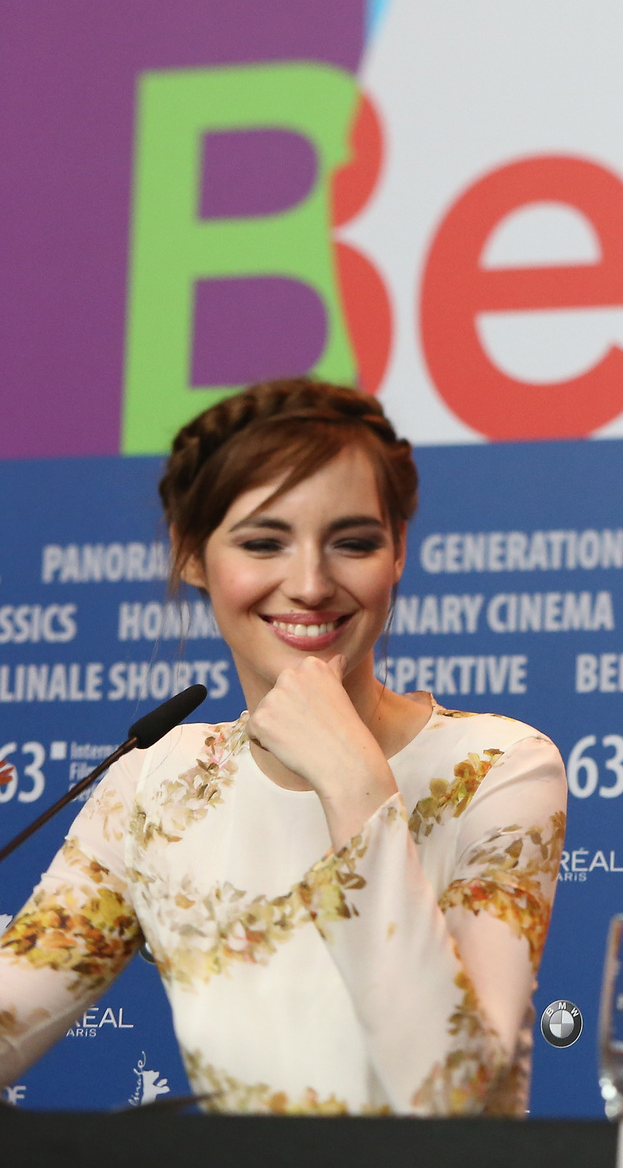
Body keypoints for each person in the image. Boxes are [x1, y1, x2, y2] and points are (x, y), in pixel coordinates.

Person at [0, 380, 567, 1115]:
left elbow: (453, 1103)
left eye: (354, 542)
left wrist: (352, 778)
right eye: (264, 542)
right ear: (192, 555)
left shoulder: (497, 766)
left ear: (398, 551)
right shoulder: (154, 784)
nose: (309, 583)